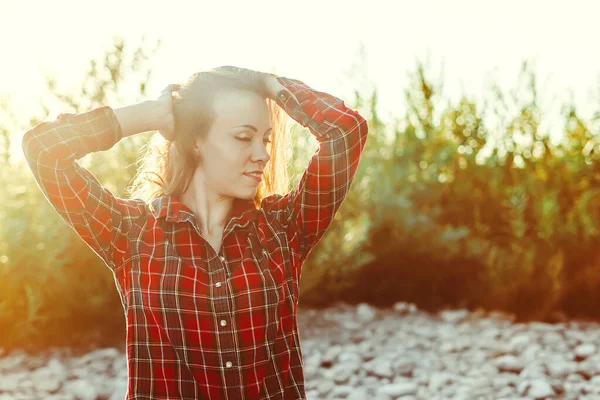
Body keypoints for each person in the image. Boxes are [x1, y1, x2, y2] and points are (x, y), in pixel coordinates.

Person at [22, 65, 369, 399]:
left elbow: (346, 131)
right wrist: (151, 115)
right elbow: (45, 150)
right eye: (243, 137)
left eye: (265, 139)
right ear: (195, 142)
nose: (262, 154)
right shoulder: (132, 234)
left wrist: (271, 84)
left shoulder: (283, 229)